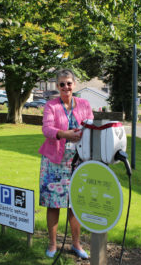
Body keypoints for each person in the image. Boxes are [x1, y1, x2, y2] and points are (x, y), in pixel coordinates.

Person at [38, 69, 94, 259]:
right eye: (61, 84)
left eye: (68, 83)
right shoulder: (51, 106)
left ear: (74, 84)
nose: (65, 87)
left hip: (77, 161)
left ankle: (76, 244)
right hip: (54, 161)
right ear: (57, 86)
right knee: (53, 204)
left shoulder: (85, 104)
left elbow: (91, 126)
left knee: (75, 204)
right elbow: (46, 129)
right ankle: (53, 245)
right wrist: (64, 134)